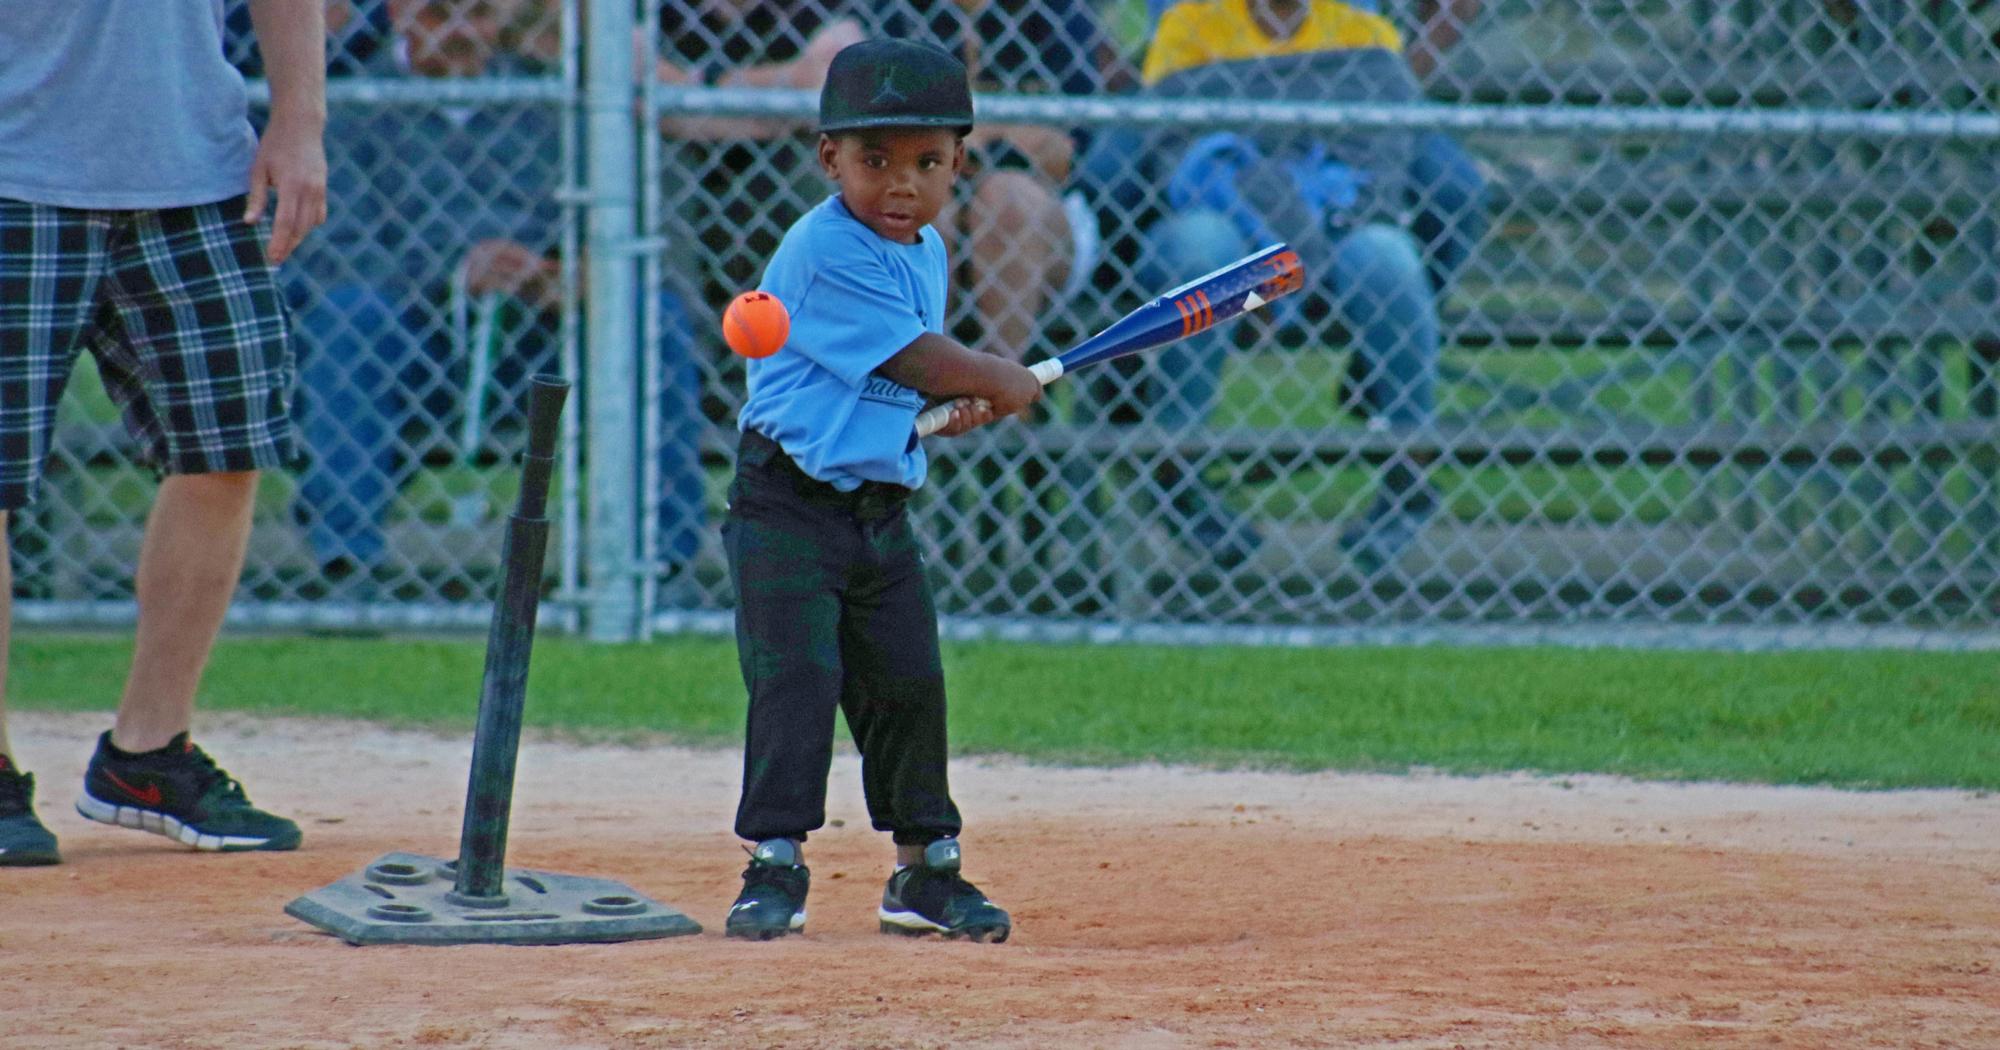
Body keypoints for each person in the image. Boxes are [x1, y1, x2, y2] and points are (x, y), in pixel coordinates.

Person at [720, 38, 1040, 941]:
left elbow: (895, 379)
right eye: (875, 161)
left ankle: (924, 872)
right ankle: (773, 863)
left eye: (928, 163)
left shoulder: (926, 247)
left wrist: (949, 405)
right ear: (830, 160)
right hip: (786, 506)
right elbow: (911, 354)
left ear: (959, 164)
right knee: (798, 680)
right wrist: (988, 375)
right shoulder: (824, 247)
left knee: (909, 684)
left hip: (876, 505)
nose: (902, 185)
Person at [0, 0, 326, 865]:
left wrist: (299, 122)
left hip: (195, 169)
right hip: (12, 165)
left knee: (227, 451)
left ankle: (147, 754)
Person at [288, 0, 707, 589]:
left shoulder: (547, 100)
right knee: (347, 314)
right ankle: (347, 564)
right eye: (438, 15)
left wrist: (568, 271)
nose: (462, 33)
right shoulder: (355, 107)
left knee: (647, 313)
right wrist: (457, 273)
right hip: (415, 339)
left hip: (537, 340)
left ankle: (664, 562)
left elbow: (607, 216)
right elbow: (339, 248)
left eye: (479, 13)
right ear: (399, 15)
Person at [1130, 0, 1449, 572]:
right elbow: (1182, 151)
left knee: (1388, 254)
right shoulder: (1191, 24)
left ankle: (1410, 471)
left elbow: (1381, 160)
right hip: (1228, 214)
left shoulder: (1363, 32)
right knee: (1204, 246)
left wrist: (1295, 195)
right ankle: (1177, 474)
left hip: (1331, 222)